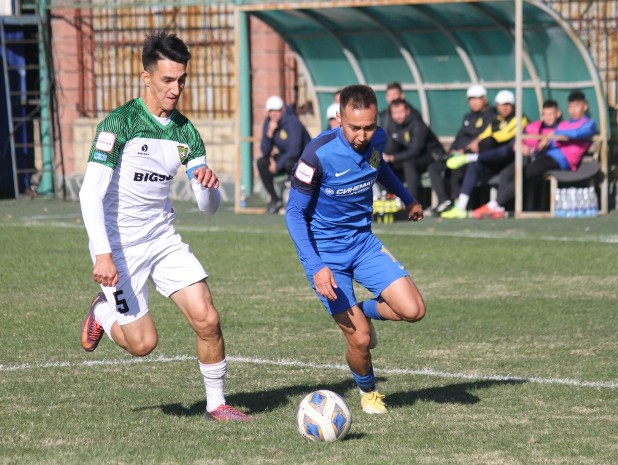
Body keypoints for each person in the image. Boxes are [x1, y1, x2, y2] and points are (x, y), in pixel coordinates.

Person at [78, 31, 251, 422]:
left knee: (207, 318)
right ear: (146, 77)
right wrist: (103, 254)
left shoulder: (186, 133)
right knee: (142, 344)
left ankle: (216, 404)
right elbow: (89, 195)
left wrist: (207, 186)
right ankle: (103, 311)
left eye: (181, 80)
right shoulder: (119, 124)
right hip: (119, 247)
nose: (176, 89)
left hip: (162, 237)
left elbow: (208, 209)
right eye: (167, 80)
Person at [285, 84, 426, 415]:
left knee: (414, 310)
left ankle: (361, 309)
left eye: (369, 127)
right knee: (360, 339)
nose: (362, 136)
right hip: (326, 257)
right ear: (339, 118)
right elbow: (293, 214)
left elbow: (380, 167)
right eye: (354, 128)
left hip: (363, 244)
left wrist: (407, 199)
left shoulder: (377, 140)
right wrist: (316, 266)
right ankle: (369, 392)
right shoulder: (316, 154)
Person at [473, 92, 596, 217]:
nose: (573, 110)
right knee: (509, 172)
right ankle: (500, 208)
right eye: (571, 107)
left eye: (577, 106)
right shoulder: (564, 124)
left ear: (585, 107)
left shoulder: (588, 123)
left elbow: (578, 133)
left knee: (525, 173)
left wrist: (554, 135)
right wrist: (542, 144)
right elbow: (550, 139)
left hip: (561, 160)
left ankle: (493, 205)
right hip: (545, 156)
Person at [441, 90, 527, 219]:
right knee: (473, 166)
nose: (504, 108)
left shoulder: (520, 119)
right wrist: (475, 143)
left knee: (503, 149)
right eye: (501, 105)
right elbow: (485, 133)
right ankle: (460, 207)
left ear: (513, 105)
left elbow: (504, 135)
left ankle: (469, 158)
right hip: (493, 160)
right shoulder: (496, 119)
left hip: (509, 162)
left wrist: (482, 141)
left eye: (507, 104)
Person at [382, 98, 449, 207]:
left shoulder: (418, 124)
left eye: (400, 112)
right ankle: (385, 198)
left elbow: (415, 151)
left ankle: (411, 203)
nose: (398, 116)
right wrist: (384, 157)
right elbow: (390, 148)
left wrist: (392, 157)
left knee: (408, 162)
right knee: (382, 165)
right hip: (412, 158)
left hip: (431, 157)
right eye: (394, 113)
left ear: (407, 111)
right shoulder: (393, 126)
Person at [257, 95, 311, 214]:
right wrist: (269, 134)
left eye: (276, 110)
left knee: (289, 163)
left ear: (282, 110)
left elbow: (295, 150)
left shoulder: (292, 121)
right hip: (285, 158)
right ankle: (275, 200)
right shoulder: (269, 122)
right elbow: (265, 151)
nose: (273, 114)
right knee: (262, 163)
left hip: (303, 160)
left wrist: (277, 164)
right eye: (270, 111)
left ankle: (298, 200)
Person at [446, 84, 497, 202]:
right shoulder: (468, 117)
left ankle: (459, 203)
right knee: (440, 166)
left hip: (482, 157)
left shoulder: (492, 115)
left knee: (458, 167)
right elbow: (460, 136)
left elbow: (481, 138)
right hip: (463, 154)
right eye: (471, 99)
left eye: (477, 98)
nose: (474, 102)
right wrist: (453, 149)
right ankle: (446, 201)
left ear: (484, 99)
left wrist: (464, 150)